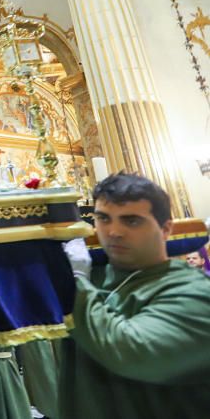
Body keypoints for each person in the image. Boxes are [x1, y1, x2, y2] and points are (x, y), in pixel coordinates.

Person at [59, 172, 210, 418]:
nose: (114, 231)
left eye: (131, 221)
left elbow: (130, 352)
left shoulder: (193, 292)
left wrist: (75, 283)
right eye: (103, 218)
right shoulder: (95, 277)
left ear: (165, 229)